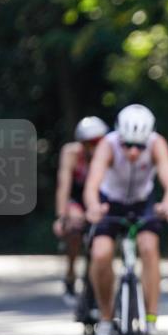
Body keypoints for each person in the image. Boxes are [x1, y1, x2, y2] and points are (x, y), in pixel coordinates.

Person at [83, 104, 168, 335]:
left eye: (140, 146)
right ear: (119, 137)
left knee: (149, 247)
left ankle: (150, 321)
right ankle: (106, 322)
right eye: (128, 145)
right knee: (100, 254)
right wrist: (94, 206)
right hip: (110, 202)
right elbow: (92, 183)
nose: (134, 152)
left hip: (142, 202)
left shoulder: (158, 144)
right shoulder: (108, 144)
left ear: (148, 139)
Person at [52, 116, 108, 311]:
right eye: (89, 143)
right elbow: (63, 185)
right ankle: (70, 272)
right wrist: (61, 216)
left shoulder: (109, 151)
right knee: (74, 227)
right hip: (77, 200)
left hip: (100, 200)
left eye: (98, 142)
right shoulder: (71, 153)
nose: (94, 147)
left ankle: (98, 285)